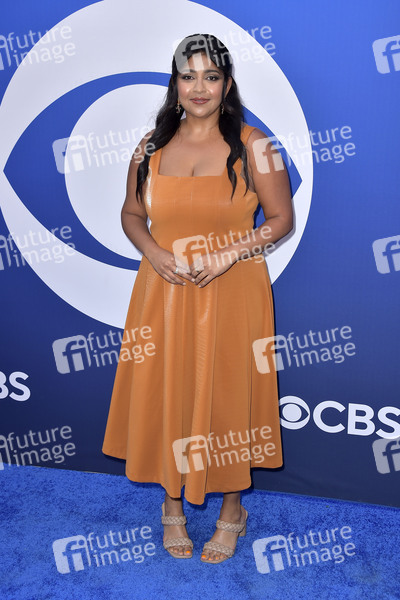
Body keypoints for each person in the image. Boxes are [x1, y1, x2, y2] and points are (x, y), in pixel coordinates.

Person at [102, 33, 293, 564]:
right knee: (169, 390)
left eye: (211, 76)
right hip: (162, 291)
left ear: (227, 84)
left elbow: (281, 219)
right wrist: (153, 253)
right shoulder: (150, 146)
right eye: (189, 76)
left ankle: (233, 509)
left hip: (233, 292)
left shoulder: (255, 145)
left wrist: (230, 252)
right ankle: (171, 507)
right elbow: (131, 214)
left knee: (229, 395)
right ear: (176, 83)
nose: (199, 87)